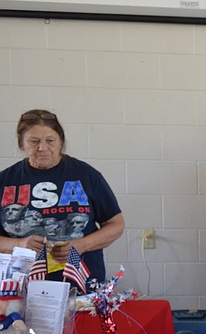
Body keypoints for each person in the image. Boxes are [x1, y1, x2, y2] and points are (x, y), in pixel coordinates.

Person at [0, 109, 124, 287]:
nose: (42, 147)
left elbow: (116, 224)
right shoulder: (5, 180)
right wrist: (18, 244)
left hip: (81, 287)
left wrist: (82, 245)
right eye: (33, 141)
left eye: (50, 140)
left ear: (61, 143)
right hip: (19, 288)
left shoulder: (86, 175)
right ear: (22, 144)